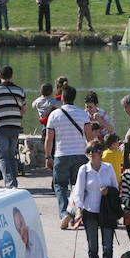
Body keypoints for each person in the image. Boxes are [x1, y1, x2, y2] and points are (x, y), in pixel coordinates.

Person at [75, 138, 121, 258]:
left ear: (100, 153)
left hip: (106, 211)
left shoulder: (108, 168)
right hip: (90, 211)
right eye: (88, 152)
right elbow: (78, 192)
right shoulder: (84, 170)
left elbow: (115, 188)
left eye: (93, 151)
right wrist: (79, 209)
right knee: (93, 248)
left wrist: (108, 191)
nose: (91, 154)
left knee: (108, 247)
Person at [45, 86, 94, 227]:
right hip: (80, 154)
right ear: (74, 98)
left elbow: (49, 139)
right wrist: (92, 154)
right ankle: (74, 213)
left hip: (61, 155)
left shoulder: (54, 115)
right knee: (78, 187)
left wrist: (48, 157)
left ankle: (64, 213)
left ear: (62, 97)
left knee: (59, 185)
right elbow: (89, 136)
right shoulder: (82, 114)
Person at [0, 66, 26, 188]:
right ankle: (13, 182)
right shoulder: (19, 90)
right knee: (11, 156)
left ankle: (10, 184)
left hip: (0, 126)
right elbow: (24, 109)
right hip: (15, 126)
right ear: (11, 75)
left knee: (3, 157)